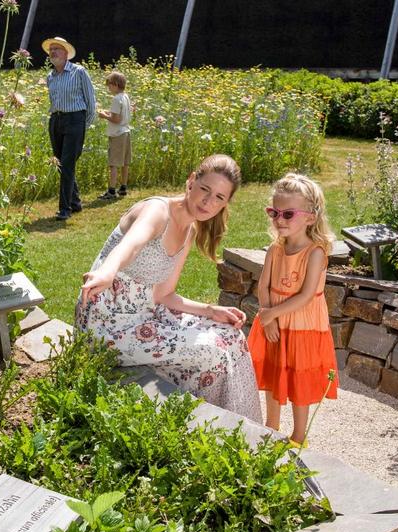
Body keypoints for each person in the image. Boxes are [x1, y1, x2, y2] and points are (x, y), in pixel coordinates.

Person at [76, 154, 263, 423]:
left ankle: (245, 429)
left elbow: (164, 295)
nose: (208, 202)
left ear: (225, 204)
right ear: (191, 181)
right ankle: (211, 427)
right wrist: (108, 270)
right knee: (212, 350)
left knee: (231, 336)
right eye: (205, 189)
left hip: (145, 315)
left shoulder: (189, 230)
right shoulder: (157, 211)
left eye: (219, 198)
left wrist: (210, 310)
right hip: (108, 325)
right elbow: (131, 245)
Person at [247, 173, 339, 446]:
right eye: (274, 212)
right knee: (273, 371)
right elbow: (264, 286)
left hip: (302, 325)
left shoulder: (315, 253)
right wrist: (268, 318)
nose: (279, 220)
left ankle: (299, 436)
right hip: (273, 321)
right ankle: (271, 425)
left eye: (288, 214)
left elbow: (307, 296)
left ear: (310, 217)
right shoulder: (275, 249)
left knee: (300, 377)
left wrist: (271, 314)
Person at [42, 36, 97, 220]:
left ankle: (65, 209)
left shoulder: (79, 72)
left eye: (57, 49)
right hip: (56, 120)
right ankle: (75, 202)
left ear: (66, 53)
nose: (53, 52)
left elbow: (91, 102)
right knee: (61, 164)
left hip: (75, 120)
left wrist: (82, 125)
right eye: (51, 50)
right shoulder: (50, 77)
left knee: (67, 164)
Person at [97, 71, 132, 200]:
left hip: (117, 134)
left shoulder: (116, 99)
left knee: (114, 163)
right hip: (126, 131)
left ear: (116, 84)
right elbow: (119, 114)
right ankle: (123, 187)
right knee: (125, 162)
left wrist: (104, 115)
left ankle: (111, 191)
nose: (108, 88)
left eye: (109, 85)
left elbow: (116, 119)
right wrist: (109, 112)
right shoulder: (125, 96)